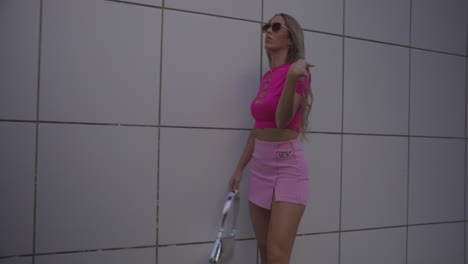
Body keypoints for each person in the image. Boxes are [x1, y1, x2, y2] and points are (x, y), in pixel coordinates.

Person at [228, 13, 314, 264]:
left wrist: (290, 79)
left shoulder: (298, 73)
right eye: (267, 27)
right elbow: (259, 127)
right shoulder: (267, 77)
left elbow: (282, 121)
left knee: (277, 256)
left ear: (290, 38)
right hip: (260, 167)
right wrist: (239, 168)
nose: (269, 31)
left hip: (287, 166)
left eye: (276, 27)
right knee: (265, 252)